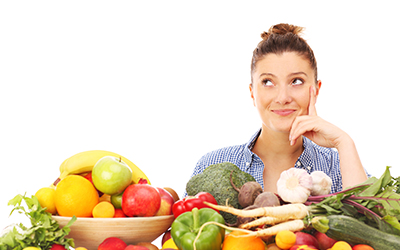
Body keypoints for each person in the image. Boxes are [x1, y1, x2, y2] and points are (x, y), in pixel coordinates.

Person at [187, 23, 368, 195]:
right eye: (268, 82)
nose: (283, 98)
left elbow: (370, 223)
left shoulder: (337, 166)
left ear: (316, 89)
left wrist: (344, 142)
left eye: (296, 81)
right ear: (252, 93)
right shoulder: (212, 166)